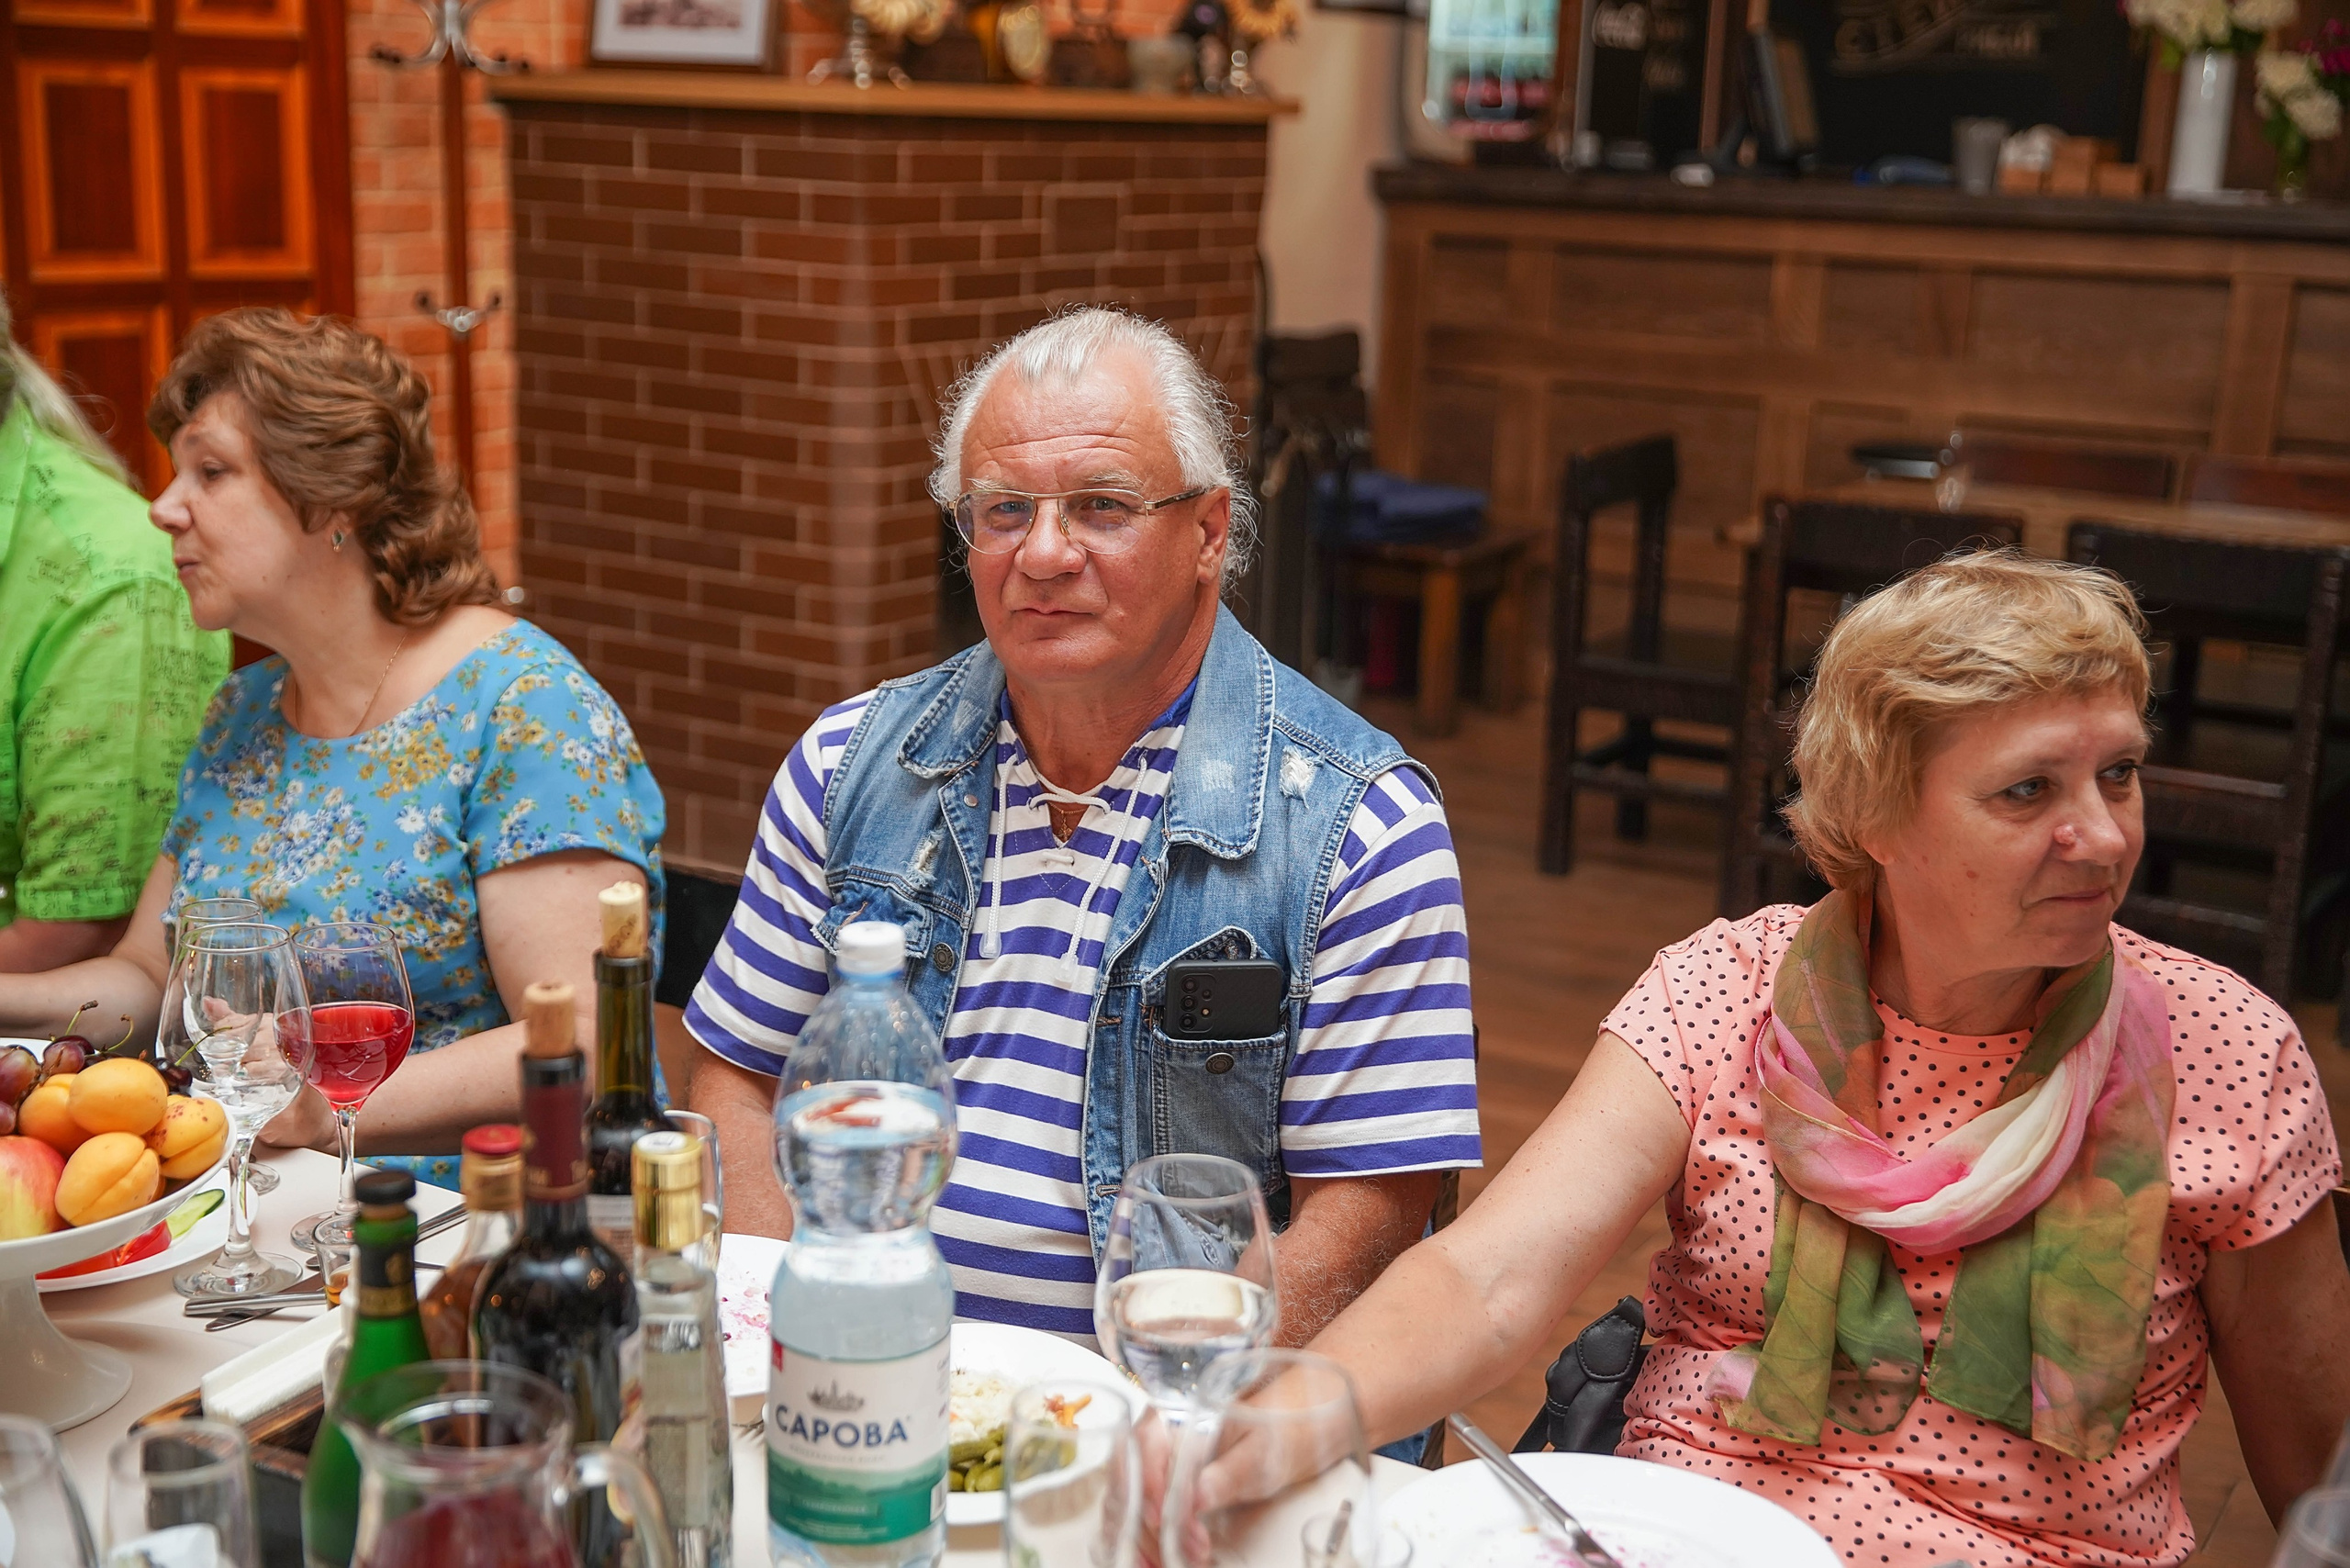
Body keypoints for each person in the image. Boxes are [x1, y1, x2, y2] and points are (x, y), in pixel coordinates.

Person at [1307, 552, 2350, 1567]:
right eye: (2028, 791)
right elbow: (1485, 1279)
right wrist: (1275, 1418)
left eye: (2116, 774)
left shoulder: (2228, 1051)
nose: (2104, 835)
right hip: (1688, 1535)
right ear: (1876, 814)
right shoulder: (1723, 993)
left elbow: (2320, 1479)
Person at [686, 308, 1481, 1350]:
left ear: (1206, 533)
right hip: (863, 1365)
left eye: (1101, 507)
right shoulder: (850, 764)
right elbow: (739, 1077)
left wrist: (1165, 1406)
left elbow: (1373, 1205)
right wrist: (782, 1330)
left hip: (1174, 1412)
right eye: (1004, 509)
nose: (1043, 553)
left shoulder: (1357, 825)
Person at [0, 308, 666, 1183]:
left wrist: (326, 1105)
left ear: (334, 498)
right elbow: (146, 977)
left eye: (211, 472)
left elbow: (581, 1037)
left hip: (485, 1231)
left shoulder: (523, 707)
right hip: (259, 1204)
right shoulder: (242, 712)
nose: (163, 508)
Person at [0, 298, 228, 973]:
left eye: (212, 472)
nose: (165, 508)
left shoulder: (114, 578)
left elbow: (89, 943)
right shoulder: (259, 701)